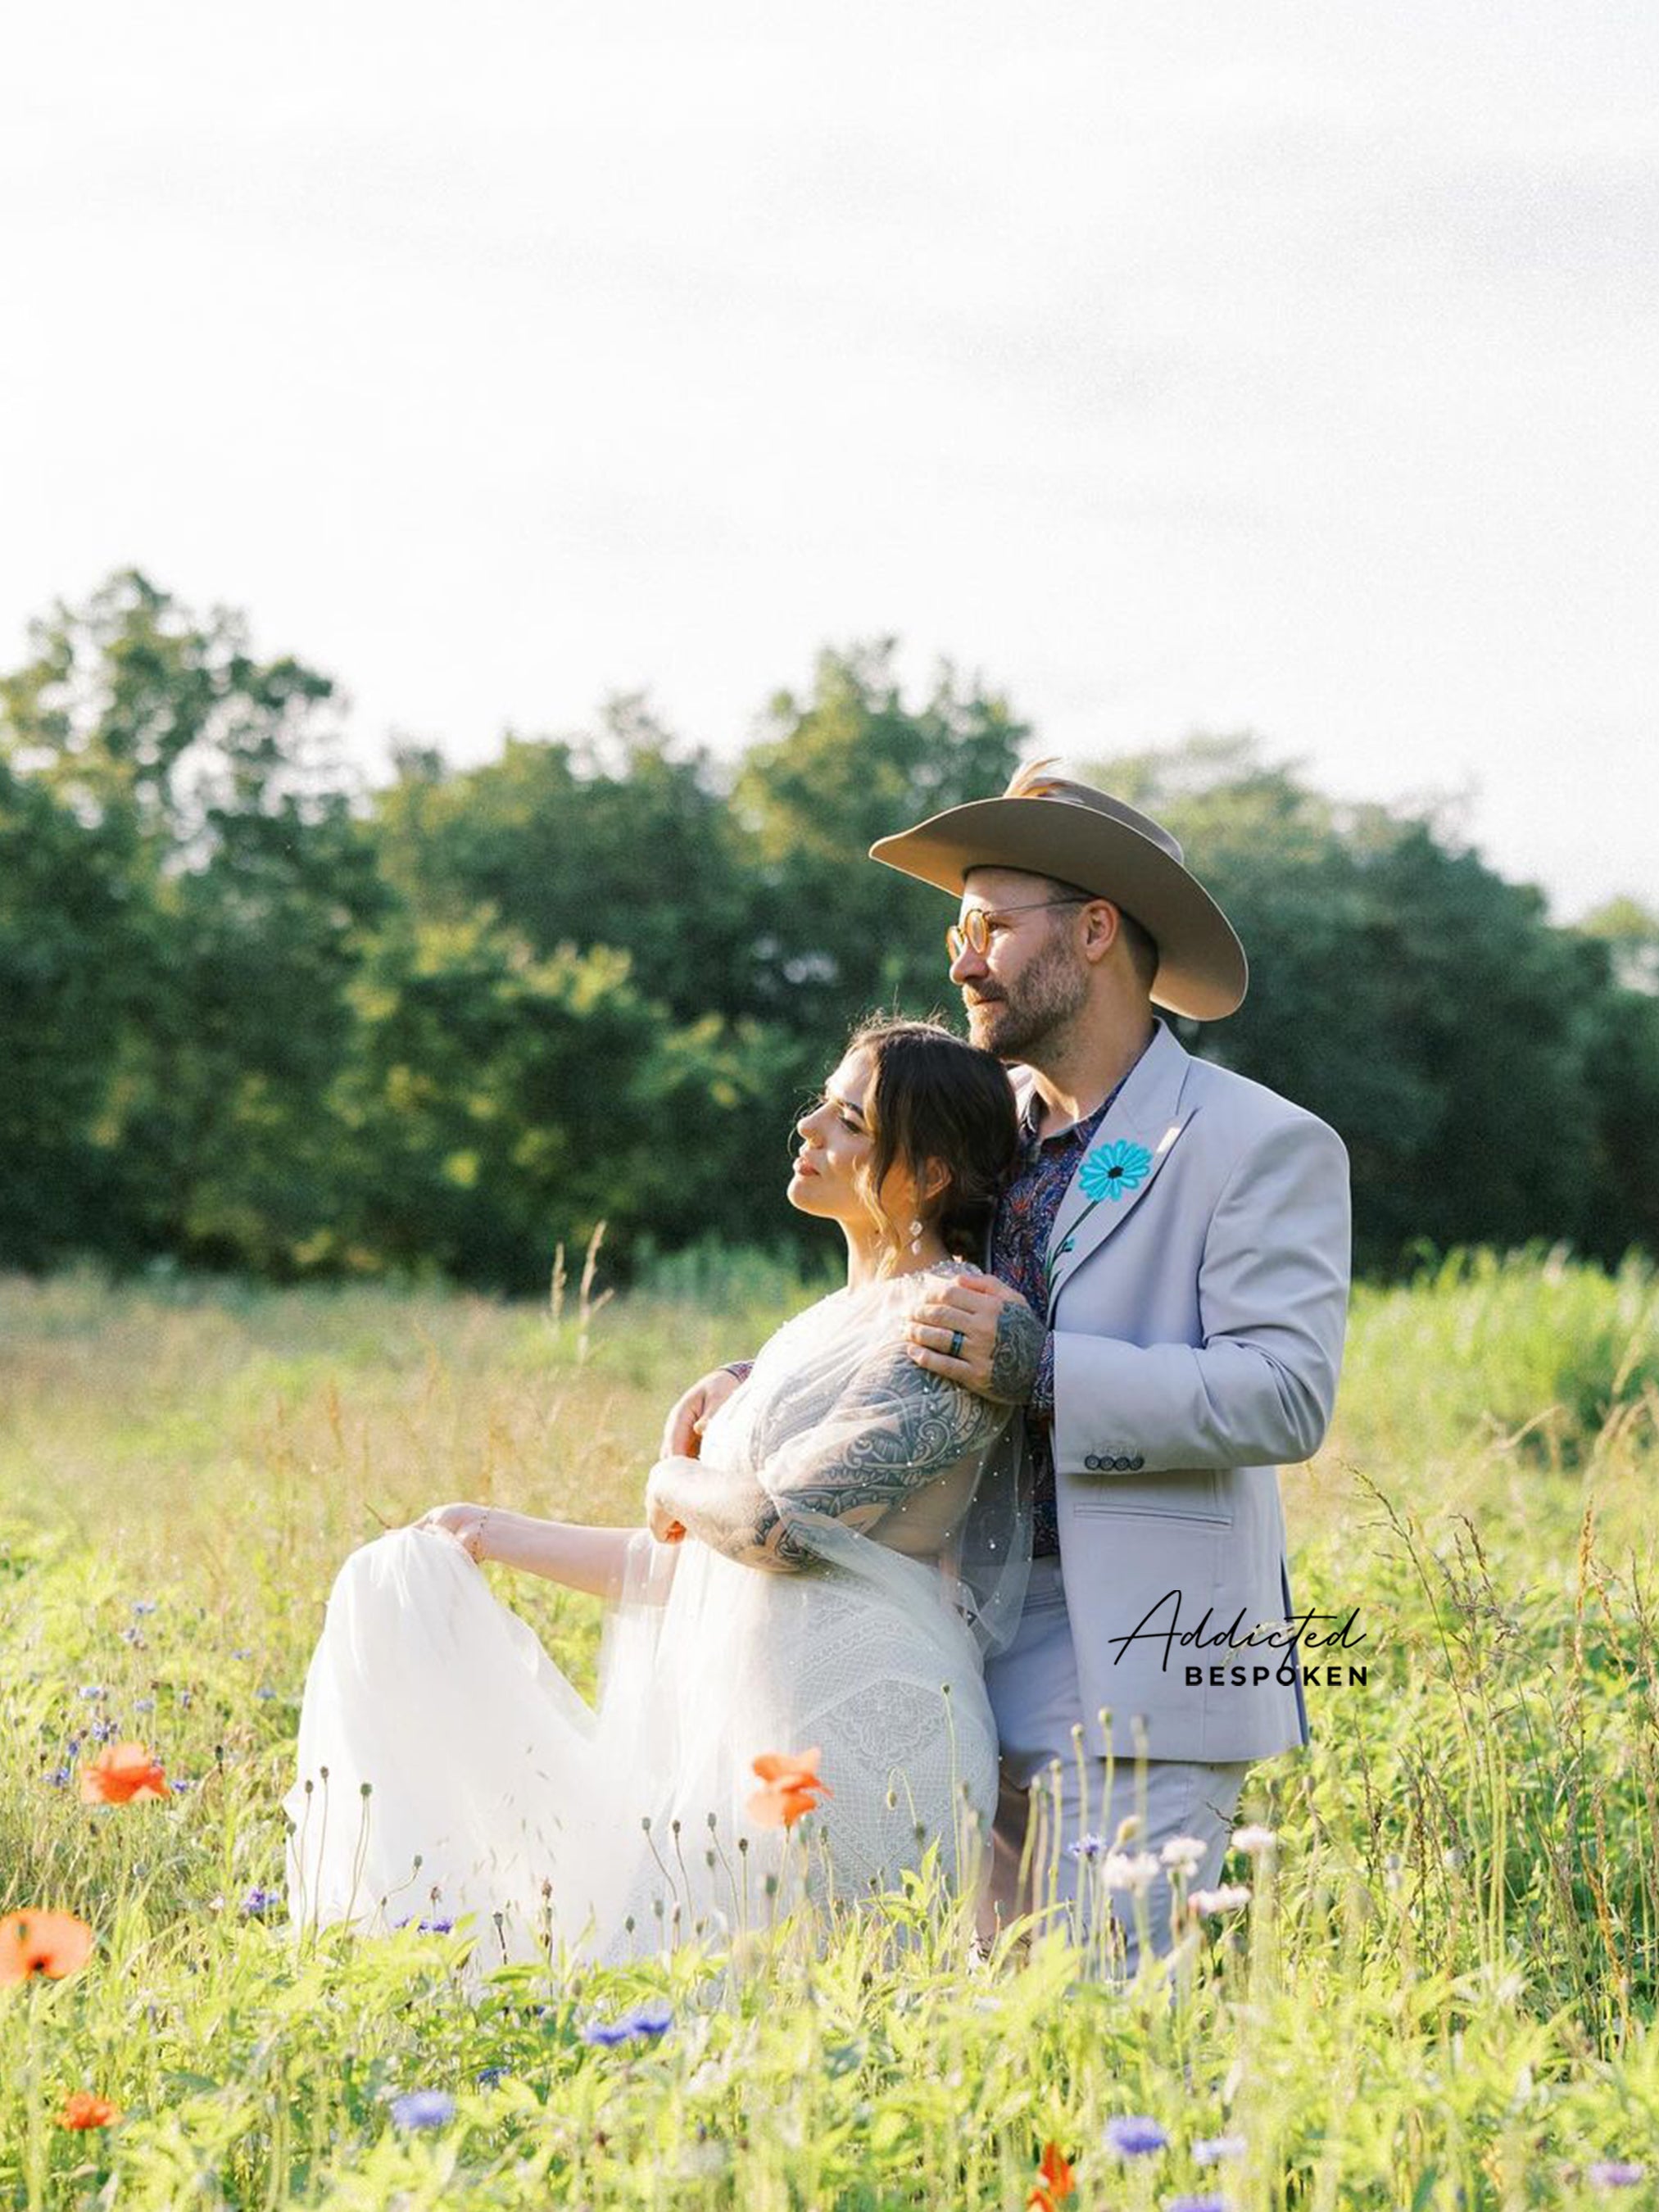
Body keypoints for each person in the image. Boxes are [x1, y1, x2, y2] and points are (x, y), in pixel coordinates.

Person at [670, 762, 1351, 1974]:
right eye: (955, 928)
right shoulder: (979, 1126)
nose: (959, 958)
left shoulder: (1257, 1143)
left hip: (1146, 1658)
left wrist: (1050, 1371)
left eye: (989, 925)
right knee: (961, 2023)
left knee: (1110, 2025)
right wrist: (752, 1381)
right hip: (939, 1646)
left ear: (1093, 932)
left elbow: (1283, 1394)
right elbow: (899, 1298)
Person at [283, 1018, 1033, 1968]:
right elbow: (693, 1569)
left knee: (844, 2028)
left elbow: (780, 1528)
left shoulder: (945, 1323)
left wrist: (672, 1473)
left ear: (925, 1176)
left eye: (848, 1120)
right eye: (823, 1106)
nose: (808, 1129)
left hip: (866, 1739)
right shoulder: (819, 1327)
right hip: (754, 1742)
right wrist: (491, 1531)